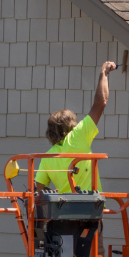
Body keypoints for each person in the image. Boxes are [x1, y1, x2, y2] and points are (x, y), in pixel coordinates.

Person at [35, 61, 117, 193]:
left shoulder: (47, 157)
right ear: (70, 126)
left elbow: (38, 190)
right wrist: (104, 73)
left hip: (62, 211)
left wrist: (54, 192)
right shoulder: (78, 135)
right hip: (90, 209)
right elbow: (100, 103)